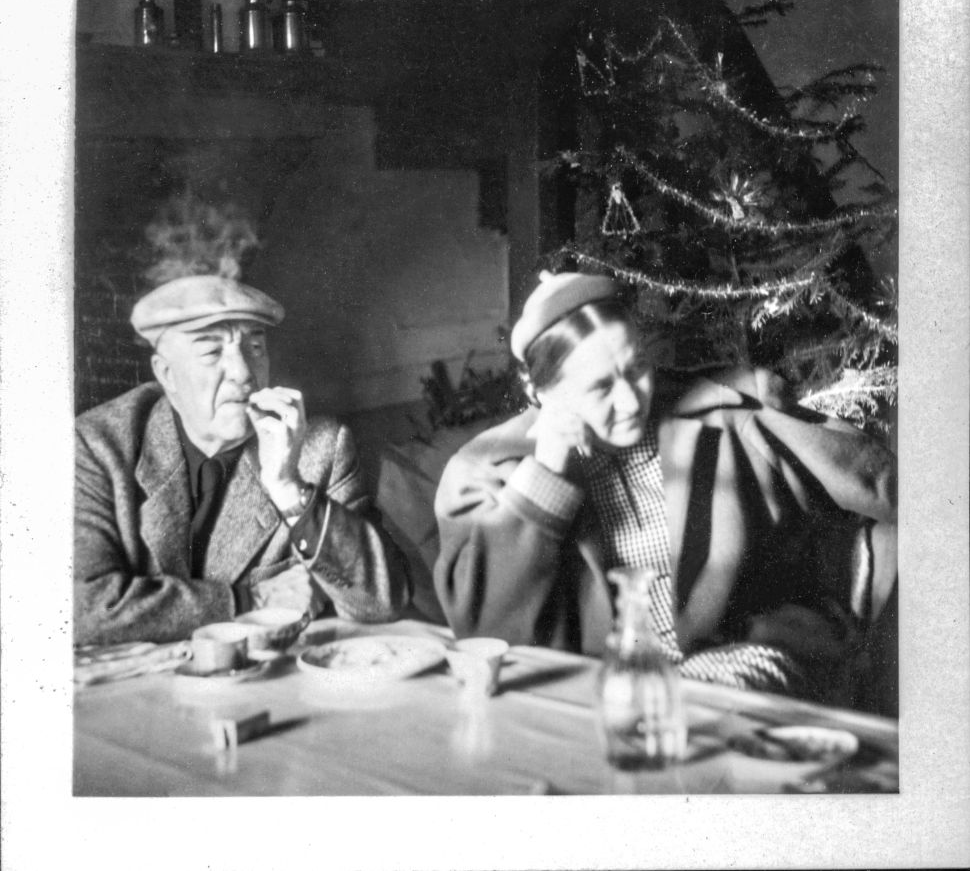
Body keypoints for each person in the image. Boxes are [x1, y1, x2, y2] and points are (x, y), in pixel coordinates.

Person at [434, 271, 897, 701]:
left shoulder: (724, 412)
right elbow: (486, 636)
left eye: (636, 369)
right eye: (599, 388)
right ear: (540, 393)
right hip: (587, 687)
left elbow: (871, 477)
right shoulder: (485, 470)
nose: (630, 399)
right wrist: (546, 472)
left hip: (737, 659)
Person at [75, 274, 411, 646]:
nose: (244, 374)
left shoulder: (320, 447)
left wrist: (287, 486)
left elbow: (382, 603)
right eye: (211, 353)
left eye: (254, 348)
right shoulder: (96, 445)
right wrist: (249, 598)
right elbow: (80, 609)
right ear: (166, 374)